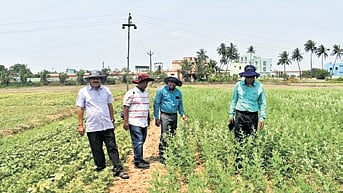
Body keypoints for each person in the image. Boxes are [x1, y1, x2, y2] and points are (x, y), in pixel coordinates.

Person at [75, 70, 129, 179]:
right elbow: (80, 108)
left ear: (100, 79)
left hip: (107, 124)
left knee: (112, 147)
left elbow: (110, 106)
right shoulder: (83, 92)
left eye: (97, 78)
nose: (95, 80)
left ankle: (118, 169)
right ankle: (101, 169)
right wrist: (80, 125)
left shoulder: (106, 90)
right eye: (93, 78)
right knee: (96, 149)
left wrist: (112, 120)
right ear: (89, 80)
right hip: (93, 126)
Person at [123, 73, 154, 169]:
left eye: (146, 82)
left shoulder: (145, 93)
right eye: (144, 82)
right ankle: (137, 161)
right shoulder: (131, 93)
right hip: (134, 121)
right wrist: (126, 121)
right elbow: (126, 107)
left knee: (142, 140)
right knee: (138, 141)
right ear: (139, 83)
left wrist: (148, 118)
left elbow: (146, 107)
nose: (146, 84)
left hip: (143, 121)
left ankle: (139, 158)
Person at [153, 76, 187, 163]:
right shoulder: (161, 91)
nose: (171, 84)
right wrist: (157, 117)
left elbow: (180, 104)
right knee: (164, 135)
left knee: (173, 134)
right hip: (164, 115)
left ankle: (170, 152)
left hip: (174, 115)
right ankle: (162, 155)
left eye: (173, 82)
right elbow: (156, 104)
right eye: (170, 82)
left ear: (176, 84)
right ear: (167, 83)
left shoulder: (178, 93)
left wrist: (182, 114)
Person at [228, 65, 266, 142]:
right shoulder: (238, 85)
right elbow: (234, 100)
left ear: (254, 77)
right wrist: (231, 115)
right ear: (244, 77)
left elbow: (262, 103)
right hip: (240, 115)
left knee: (252, 137)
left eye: (251, 77)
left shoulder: (259, 87)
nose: (249, 79)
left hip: (253, 115)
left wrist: (262, 117)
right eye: (247, 77)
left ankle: (249, 153)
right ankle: (238, 153)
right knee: (239, 137)